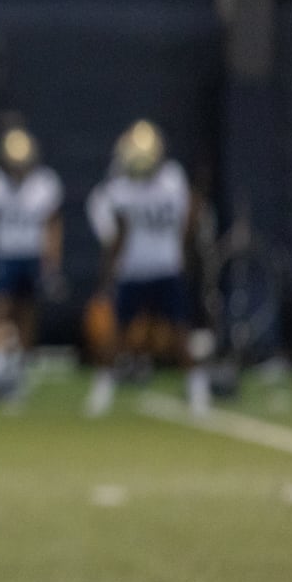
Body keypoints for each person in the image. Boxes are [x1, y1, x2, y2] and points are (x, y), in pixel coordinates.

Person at [85, 120, 207, 416]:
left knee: (178, 333)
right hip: (140, 268)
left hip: (162, 267)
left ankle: (197, 386)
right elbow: (122, 234)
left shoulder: (171, 180)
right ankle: (104, 388)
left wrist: (180, 248)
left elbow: (189, 216)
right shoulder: (130, 186)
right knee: (120, 335)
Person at [0, 126, 63, 379]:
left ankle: (22, 364)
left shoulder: (44, 183)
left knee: (28, 310)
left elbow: (52, 226)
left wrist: (52, 262)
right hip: (3, 253)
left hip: (31, 254)